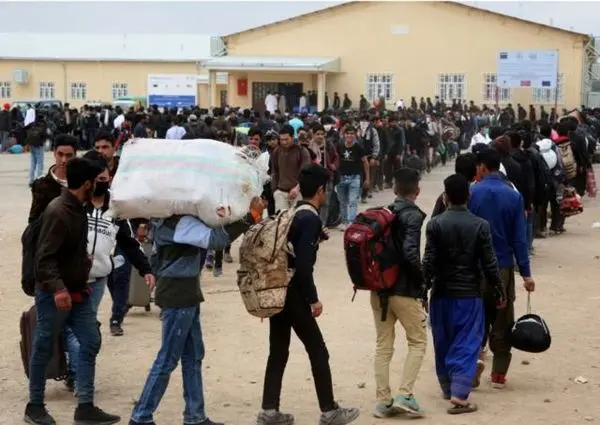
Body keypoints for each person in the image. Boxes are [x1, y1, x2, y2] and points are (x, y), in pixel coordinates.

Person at [129, 198, 265, 425]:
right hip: (179, 295)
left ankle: (195, 416)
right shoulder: (180, 224)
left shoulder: (166, 222)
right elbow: (218, 240)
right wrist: (250, 217)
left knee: (193, 356)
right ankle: (141, 416)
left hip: (185, 293)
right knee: (168, 359)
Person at [257, 164, 359, 425]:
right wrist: (313, 299)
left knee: (278, 351)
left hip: (278, 288)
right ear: (321, 190)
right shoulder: (310, 219)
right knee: (318, 350)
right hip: (294, 293)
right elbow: (304, 266)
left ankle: (269, 410)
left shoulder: (292, 212)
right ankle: (329, 410)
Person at [26, 157, 120, 425]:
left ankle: (85, 407)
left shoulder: (78, 208)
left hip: (78, 291)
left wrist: (82, 263)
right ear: (87, 184)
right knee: (44, 345)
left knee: (90, 341)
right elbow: (44, 259)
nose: (100, 186)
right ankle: (34, 406)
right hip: (55, 294)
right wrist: (58, 290)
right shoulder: (58, 211)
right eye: (96, 181)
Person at [63, 151, 155, 393]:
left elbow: (129, 243)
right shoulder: (72, 204)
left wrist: (145, 269)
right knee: (68, 328)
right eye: (98, 178)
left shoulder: (115, 209)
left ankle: (77, 374)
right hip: (69, 278)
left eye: (106, 177)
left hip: (97, 281)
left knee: (83, 327)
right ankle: (76, 371)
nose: (102, 182)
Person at [424, 174, 506, 415]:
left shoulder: (435, 224)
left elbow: (428, 262)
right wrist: (499, 288)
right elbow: (490, 262)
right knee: (468, 342)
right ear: (468, 197)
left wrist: (422, 291)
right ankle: (460, 395)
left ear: (445, 197)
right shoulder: (480, 225)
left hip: (441, 293)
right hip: (469, 294)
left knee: (443, 340)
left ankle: (448, 387)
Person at [468, 149, 535, 389]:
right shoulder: (513, 196)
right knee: (503, 318)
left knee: (475, 317)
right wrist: (526, 273)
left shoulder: (472, 193)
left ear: (483, 167)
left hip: (475, 267)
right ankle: (498, 373)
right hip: (503, 267)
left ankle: (474, 361)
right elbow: (519, 239)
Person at [370, 168, 427, 418]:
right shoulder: (413, 215)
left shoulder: (384, 214)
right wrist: (422, 283)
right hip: (403, 290)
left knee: (383, 345)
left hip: (379, 289)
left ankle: (383, 401)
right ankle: (405, 394)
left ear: (394, 189)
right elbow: (411, 253)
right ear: (417, 190)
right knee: (418, 341)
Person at [28, 135, 78, 223]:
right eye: (60, 154)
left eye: (69, 156)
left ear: (75, 155)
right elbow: (34, 220)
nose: (64, 160)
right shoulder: (41, 185)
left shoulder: (81, 182)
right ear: (54, 153)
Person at [270, 124, 311, 213]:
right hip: (280, 192)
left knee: (296, 219)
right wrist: (275, 191)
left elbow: (306, 173)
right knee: (281, 219)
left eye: (286, 139)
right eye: (281, 140)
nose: (284, 142)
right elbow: (274, 171)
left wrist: (297, 188)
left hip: (297, 192)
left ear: (292, 137)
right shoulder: (277, 151)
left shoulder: (302, 151)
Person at [336, 126, 369, 231]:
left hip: (355, 178)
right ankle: (344, 221)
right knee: (342, 201)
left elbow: (365, 162)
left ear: (355, 135)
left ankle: (351, 222)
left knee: (352, 201)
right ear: (344, 134)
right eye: (347, 133)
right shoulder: (339, 146)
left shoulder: (359, 148)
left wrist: (367, 178)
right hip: (341, 177)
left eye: (352, 133)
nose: (349, 136)